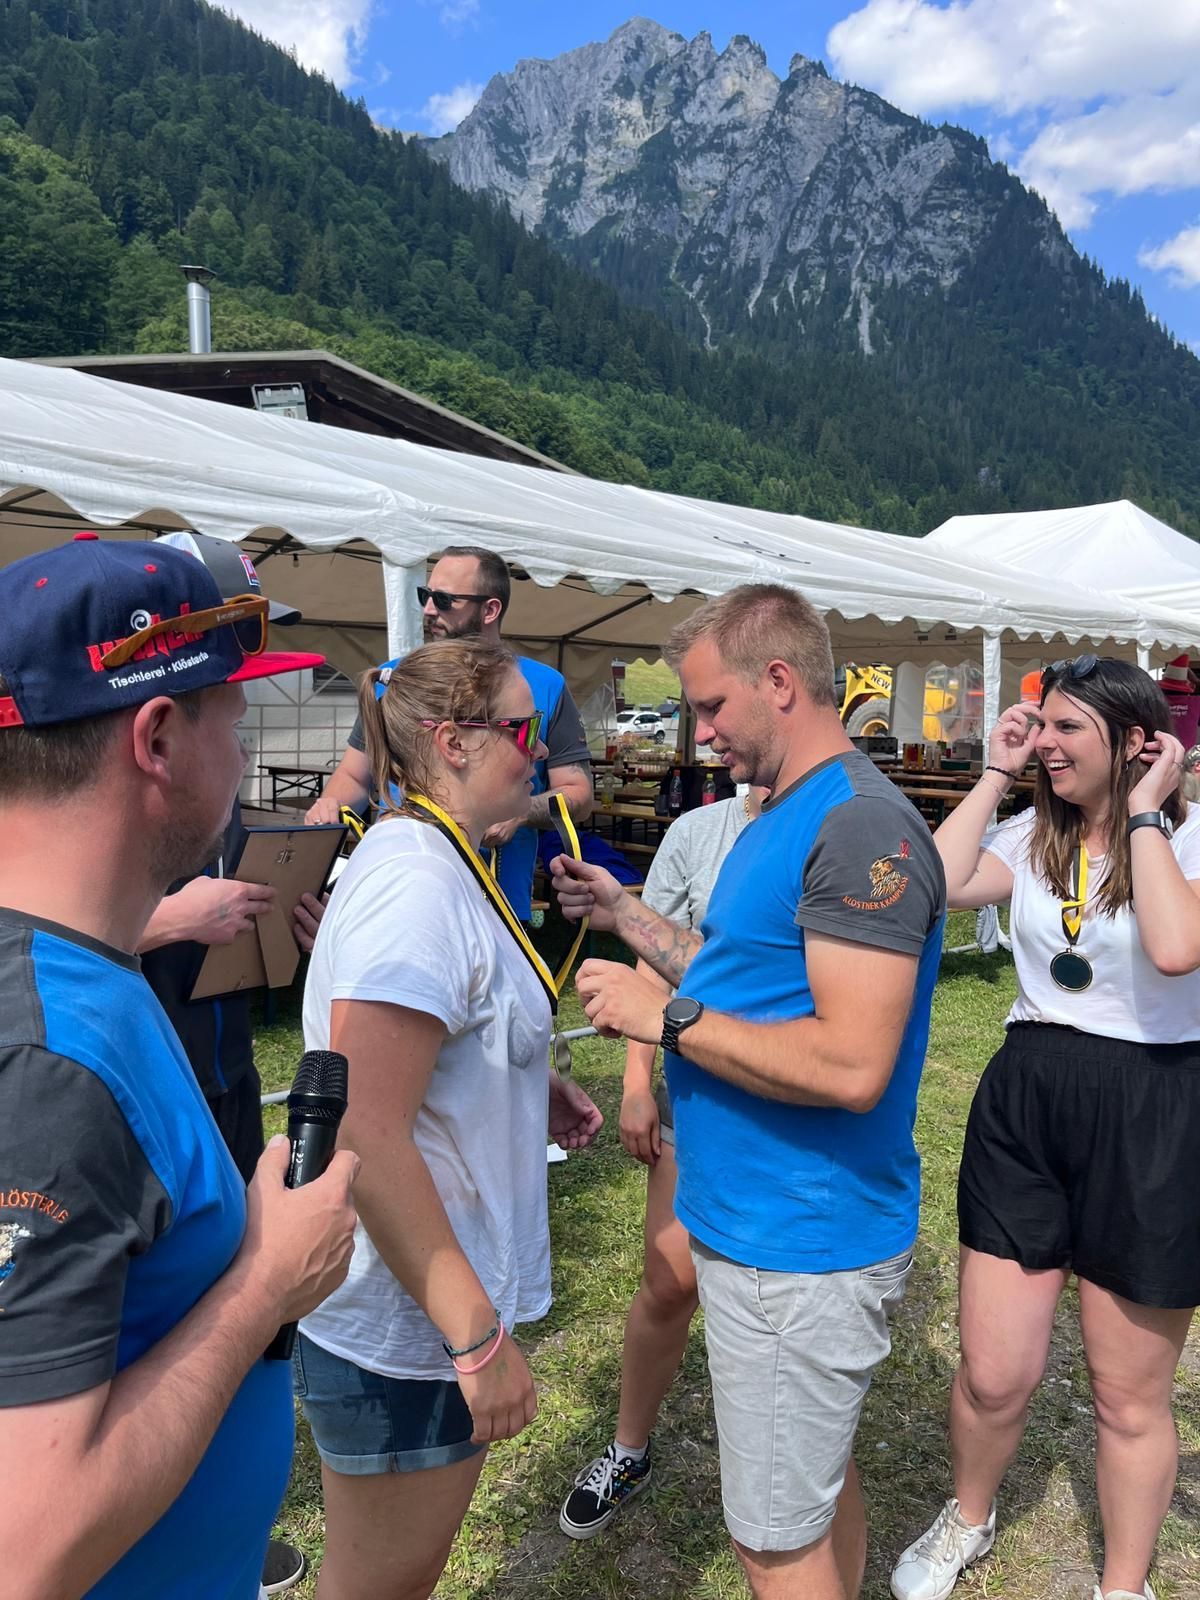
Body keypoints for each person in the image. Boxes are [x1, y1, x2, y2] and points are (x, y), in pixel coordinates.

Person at [550, 583, 947, 1600]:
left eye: (712, 706)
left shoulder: (860, 827)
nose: (701, 732)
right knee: (813, 1489)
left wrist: (666, 1022)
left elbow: (851, 1066)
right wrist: (628, 914)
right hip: (766, 1231)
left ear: (778, 681)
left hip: (795, 1244)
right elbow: (741, 974)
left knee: (774, 1545)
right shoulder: (786, 813)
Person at [0, 534, 359, 1599]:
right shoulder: (49, 1064)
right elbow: (27, 1551)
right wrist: (266, 1284)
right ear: (158, 737)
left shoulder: (82, 979)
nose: (242, 759)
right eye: (233, 721)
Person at [296, 637, 603, 1600]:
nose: (540, 753)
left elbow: (432, 1044)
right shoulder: (418, 881)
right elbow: (364, 1124)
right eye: (523, 730)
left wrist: (521, 1080)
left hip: (420, 1312)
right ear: (455, 741)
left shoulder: (439, 858)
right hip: (409, 1328)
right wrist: (475, 1339)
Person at [890, 657, 1200, 1600]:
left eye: (1069, 729)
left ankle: (1123, 1584)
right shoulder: (1032, 836)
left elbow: (1175, 948)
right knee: (992, 1374)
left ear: (1137, 742)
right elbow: (931, 884)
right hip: (1028, 1100)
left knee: (1127, 1394)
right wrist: (995, 772)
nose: (1048, 745)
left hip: (1152, 1106)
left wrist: (1145, 812)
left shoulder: (1189, 840)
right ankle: (969, 1517)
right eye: (1042, 726)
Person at [136, 530, 330, 1596]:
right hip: (151, 1098)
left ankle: (225, 1522)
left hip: (226, 1080)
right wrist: (176, 917)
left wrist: (285, 935)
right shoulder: (95, 794)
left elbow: (233, 954)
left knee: (235, 1297)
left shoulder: (220, 793)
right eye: (235, 652)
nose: (250, 682)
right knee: (177, 1316)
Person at [560, 784, 767, 1539]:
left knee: (771, 1303)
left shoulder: (836, 829)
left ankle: (776, 1470)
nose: (708, 733)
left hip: (790, 1111)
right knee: (670, 1280)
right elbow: (651, 964)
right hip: (696, 1102)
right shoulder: (697, 832)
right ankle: (629, 1448)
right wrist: (635, 1085)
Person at [306, 544, 592, 920]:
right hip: (404, 889)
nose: (428, 610)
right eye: (425, 596)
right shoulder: (395, 680)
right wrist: (329, 807)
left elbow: (579, 794)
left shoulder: (543, 685)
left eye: (444, 600)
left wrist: (520, 813)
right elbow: (354, 776)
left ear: (490, 610)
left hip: (498, 900)